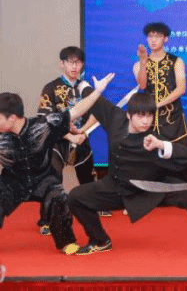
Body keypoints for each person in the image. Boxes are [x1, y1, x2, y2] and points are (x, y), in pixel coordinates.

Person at [66, 91, 187, 257]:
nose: (146, 121)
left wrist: (161, 145)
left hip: (152, 190)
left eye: (149, 116)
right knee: (75, 197)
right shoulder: (116, 118)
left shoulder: (153, 140)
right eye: (140, 116)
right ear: (129, 115)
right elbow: (94, 99)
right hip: (115, 187)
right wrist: (91, 87)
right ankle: (100, 240)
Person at [0, 73, 115, 256]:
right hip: (13, 181)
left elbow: (76, 111)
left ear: (12, 118)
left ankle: (66, 241)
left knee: (59, 197)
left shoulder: (43, 125)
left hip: (43, 179)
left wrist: (98, 91)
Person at [36, 46, 108, 236]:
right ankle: (47, 220)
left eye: (78, 62)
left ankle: (93, 208)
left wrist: (82, 132)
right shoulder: (51, 88)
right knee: (52, 179)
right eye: (70, 62)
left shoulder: (86, 88)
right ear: (62, 64)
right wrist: (69, 135)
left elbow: (97, 114)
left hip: (81, 138)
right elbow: (46, 119)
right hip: (57, 141)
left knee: (88, 178)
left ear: (82, 64)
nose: (74, 66)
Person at [133, 22, 187, 199]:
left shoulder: (176, 61)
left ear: (165, 39)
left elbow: (181, 88)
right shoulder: (139, 64)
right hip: (149, 121)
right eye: (150, 36)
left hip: (173, 119)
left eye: (157, 36)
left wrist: (158, 104)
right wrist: (143, 62)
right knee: (148, 160)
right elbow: (142, 85)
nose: (153, 40)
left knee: (185, 157)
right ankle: (147, 199)